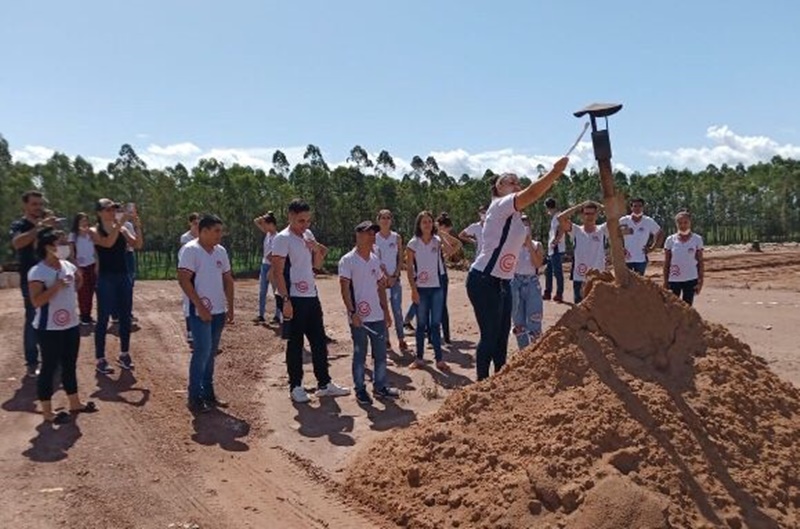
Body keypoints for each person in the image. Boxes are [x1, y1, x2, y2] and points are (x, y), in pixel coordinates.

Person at [466, 157, 569, 381]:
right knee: (490, 337)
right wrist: (554, 173)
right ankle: (481, 386)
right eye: (510, 181)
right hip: (484, 279)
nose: (516, 184)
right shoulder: (500, 205)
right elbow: (532, 194)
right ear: (498, 188)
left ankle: (498, 385)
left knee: (502, 338)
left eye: (517, 182)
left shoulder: (515, 217)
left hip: (504, 281)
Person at [271, 199, 350, 403]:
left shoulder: (307, 235)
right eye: (300, 221)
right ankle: (295, 386)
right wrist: (285, 300)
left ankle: (324, 383)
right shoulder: (282, 239)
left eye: (307, 220)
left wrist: (316, 248)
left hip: (311, 296)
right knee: (295, 343)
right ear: (290, 216)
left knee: (318, 341)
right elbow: (277, 272)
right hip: (293, 297)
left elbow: (316, 265)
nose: (304, 225)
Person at [28, 228, 97, 423]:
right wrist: (56, 285)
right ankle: (48, 411)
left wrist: (79, 279)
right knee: (49, 367)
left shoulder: (68, 265)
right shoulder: (38, 272)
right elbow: (36, 301)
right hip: (48, 328)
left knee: (69, 365)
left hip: (70, 325)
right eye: (60, 243)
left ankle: (74, 403)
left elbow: (76, 287)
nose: (65, 246)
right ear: (48, 247)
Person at [178, 214, 235, 413]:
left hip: (218, 311)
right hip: (199, 312)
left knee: (210, 353)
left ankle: (209, 394)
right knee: (202, 352)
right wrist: (199, 306)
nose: (220, 235)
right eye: (216, 231)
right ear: (203, 231)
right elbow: (184, 279)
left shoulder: (220, 251)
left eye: (221, 230)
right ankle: (194, 397)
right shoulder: (190, 250)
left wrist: (231, 307)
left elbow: (228, 279)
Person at [338, 221, 401, 405]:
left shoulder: (375, 260)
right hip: (360, 318)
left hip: (377, 317)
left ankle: (380, 387)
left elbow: (381, 287)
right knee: (360, 354)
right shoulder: (347, 260)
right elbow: (344, 289)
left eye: (374, 233)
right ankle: (360, 389)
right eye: (368, 233)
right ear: (358, 235)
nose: (372, 236)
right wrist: (352, 312)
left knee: (380, 354)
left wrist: (386, 312)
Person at [90, 198, 142, 375]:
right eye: (108, 209)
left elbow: (137, 244)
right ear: (99, 212)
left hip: (123, 276)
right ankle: (100, 358)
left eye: (114, 208)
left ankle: (124, 353)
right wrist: (120, 223)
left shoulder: (122, 228)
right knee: (103, 318)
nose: (112, 211)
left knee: (125, 317)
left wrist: (137, 225)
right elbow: (107, 243)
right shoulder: (94, 230)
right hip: (105, 278)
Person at [9, 190, 55, 376]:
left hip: (50, 275)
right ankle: (31, 361)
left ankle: (52, 358)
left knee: (52, 316)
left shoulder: (47, 223)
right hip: (30, 278)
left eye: (40, 204)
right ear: (25, 205)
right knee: (32, 318)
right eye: (34, 204)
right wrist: (39, 227)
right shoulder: (20, 224)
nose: (38, 207)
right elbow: (18, 243)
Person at [406, 211, 449, 371]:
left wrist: (442, 234)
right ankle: (419, 358)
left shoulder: (437, 242)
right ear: (419, 224)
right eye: (424, 222)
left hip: (437, 287)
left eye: (430, 221)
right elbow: (409, 269)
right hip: (421, 289)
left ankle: (439, 359)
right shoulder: (413, 243)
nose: (427, 224)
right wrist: (413, 289)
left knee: (435, 324)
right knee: (421, 324)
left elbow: (452, 250)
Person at [558, 201, 609, 304]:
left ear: (597, 215)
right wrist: (579, 206)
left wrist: (601, 206)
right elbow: (560, 218)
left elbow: (615, 216)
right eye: (586, 213)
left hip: (598, 278)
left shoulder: (603, 230)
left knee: (598, 309)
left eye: (592, 213)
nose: (589, 216)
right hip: (580, 277)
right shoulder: (576, 231)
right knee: (580, 310)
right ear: (582, 215)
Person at [374, 209, 407, 351]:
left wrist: (395, 275)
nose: (386, 220)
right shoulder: (374, 238)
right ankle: (386, 339)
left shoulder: (396, 237)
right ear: (378, 220)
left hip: (395, 279)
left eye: (388, 217)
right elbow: (376, 259)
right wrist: (386, 276)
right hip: (381, 281)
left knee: (397, 310)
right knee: (382, 310)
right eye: (383, 218)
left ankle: (401, 338)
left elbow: (400, 257)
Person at [511, 214, 545, 350]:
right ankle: (523, 351)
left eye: (527, 226)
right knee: (518, 319)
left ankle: (535, 351)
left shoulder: (537, 245)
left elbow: (537, 264)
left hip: (531, 282)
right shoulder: (512, 245)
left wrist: (529, 244)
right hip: (515, 282)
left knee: (534, 318)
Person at [663, 211, 704, 306]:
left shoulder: (697, 239)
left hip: (691, 278)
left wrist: (700, 280)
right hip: (674, 279)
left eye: (685, 222)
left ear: (690, 223)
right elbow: (667, 262)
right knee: (673, 306)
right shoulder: (670, 240)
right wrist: (665, 281)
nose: (683, 225)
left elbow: (700, 262)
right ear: (676, 224)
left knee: (687, 306)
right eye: (680, 223)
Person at [434, 212, 462, 344]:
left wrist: (441, 233)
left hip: (440, 273)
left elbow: (455, 246)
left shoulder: (439, 236)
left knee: (442, 305)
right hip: (428, 274)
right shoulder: (425, 237)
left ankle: (446, 336)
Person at [619, 198, 663, 275]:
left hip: (641, 259)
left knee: (639, 282)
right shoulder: (623, 220)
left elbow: (660, 233)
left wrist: (652, 248)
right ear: (631, 207)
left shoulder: (648, 221)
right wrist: (619, 248)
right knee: (625, 283)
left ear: (643, 207)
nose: (637, 208)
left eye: (640, 206)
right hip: (625, 259)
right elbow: (613, 234)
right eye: (635, 206)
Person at [68, 212, 98, 325]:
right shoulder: (73, 235)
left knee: (92, 290)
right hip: (81, 266)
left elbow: (95, 249)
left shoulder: (91, 233)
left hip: (92, 264)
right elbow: (71, 253)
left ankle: (89, 314)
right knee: (83, 292)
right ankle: (84, 315)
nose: (84, 222)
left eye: (86, 220)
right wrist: (76, 267)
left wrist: (97, 264)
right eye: (82, 220)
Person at [254, 211, 279, 323]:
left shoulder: (278, 237)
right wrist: (263, 218)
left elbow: (276, 257)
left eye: (265, 224)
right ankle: (261, 315)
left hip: (273, 266)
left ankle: (278, 316)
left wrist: (272, 270)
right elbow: (256, 221)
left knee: (276, 292)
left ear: (271, 224)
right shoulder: (268, 234)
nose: (263, 226)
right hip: (265, 265)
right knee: (262, 291)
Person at [179, 213, 199, 347]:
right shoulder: (186, 238)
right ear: (190, 224)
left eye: (198, 223)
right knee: (189, 302)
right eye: (195, 223)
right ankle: (190, 331)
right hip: (189, 272)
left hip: (200, 273)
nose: (197, 226)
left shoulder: (202, 236)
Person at [543, 197, 566, 302]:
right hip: (551, 250)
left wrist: (556, 241)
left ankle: (559, 294)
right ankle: (548, 292)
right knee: (548, 271)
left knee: (557, 273)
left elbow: (562, 228)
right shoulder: (554, 217)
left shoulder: (558, 216)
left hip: (556, 249)